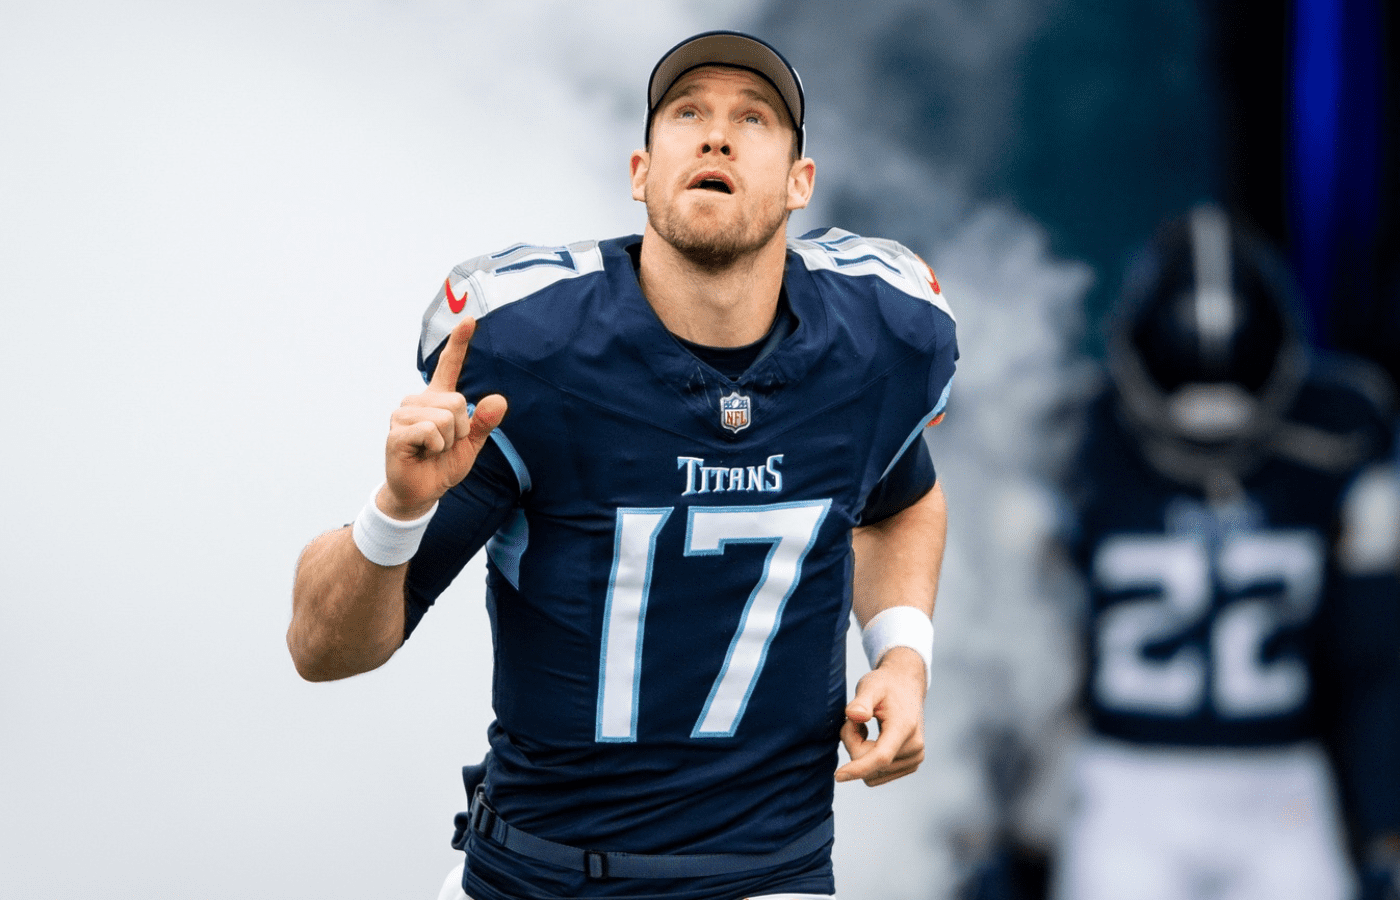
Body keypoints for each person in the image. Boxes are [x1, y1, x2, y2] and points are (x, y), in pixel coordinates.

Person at [288, 30, 958, 900]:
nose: (717, 136)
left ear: (801, 185)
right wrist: (397, 508)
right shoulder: (534, 360)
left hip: (768, 872)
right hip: (532, 874)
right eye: (689, 113)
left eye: (752, 118)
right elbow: (319, 649)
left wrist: (902, 657)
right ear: (641, 171)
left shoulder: (872, 345)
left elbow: (900, 498)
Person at [1048, 205, 1400, 900]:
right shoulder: (1071, 437)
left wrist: (1384, 815)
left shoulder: (1340, 432)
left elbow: (1374, 654)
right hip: (1127, 788)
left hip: (1285, 790)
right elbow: (1032, 653)